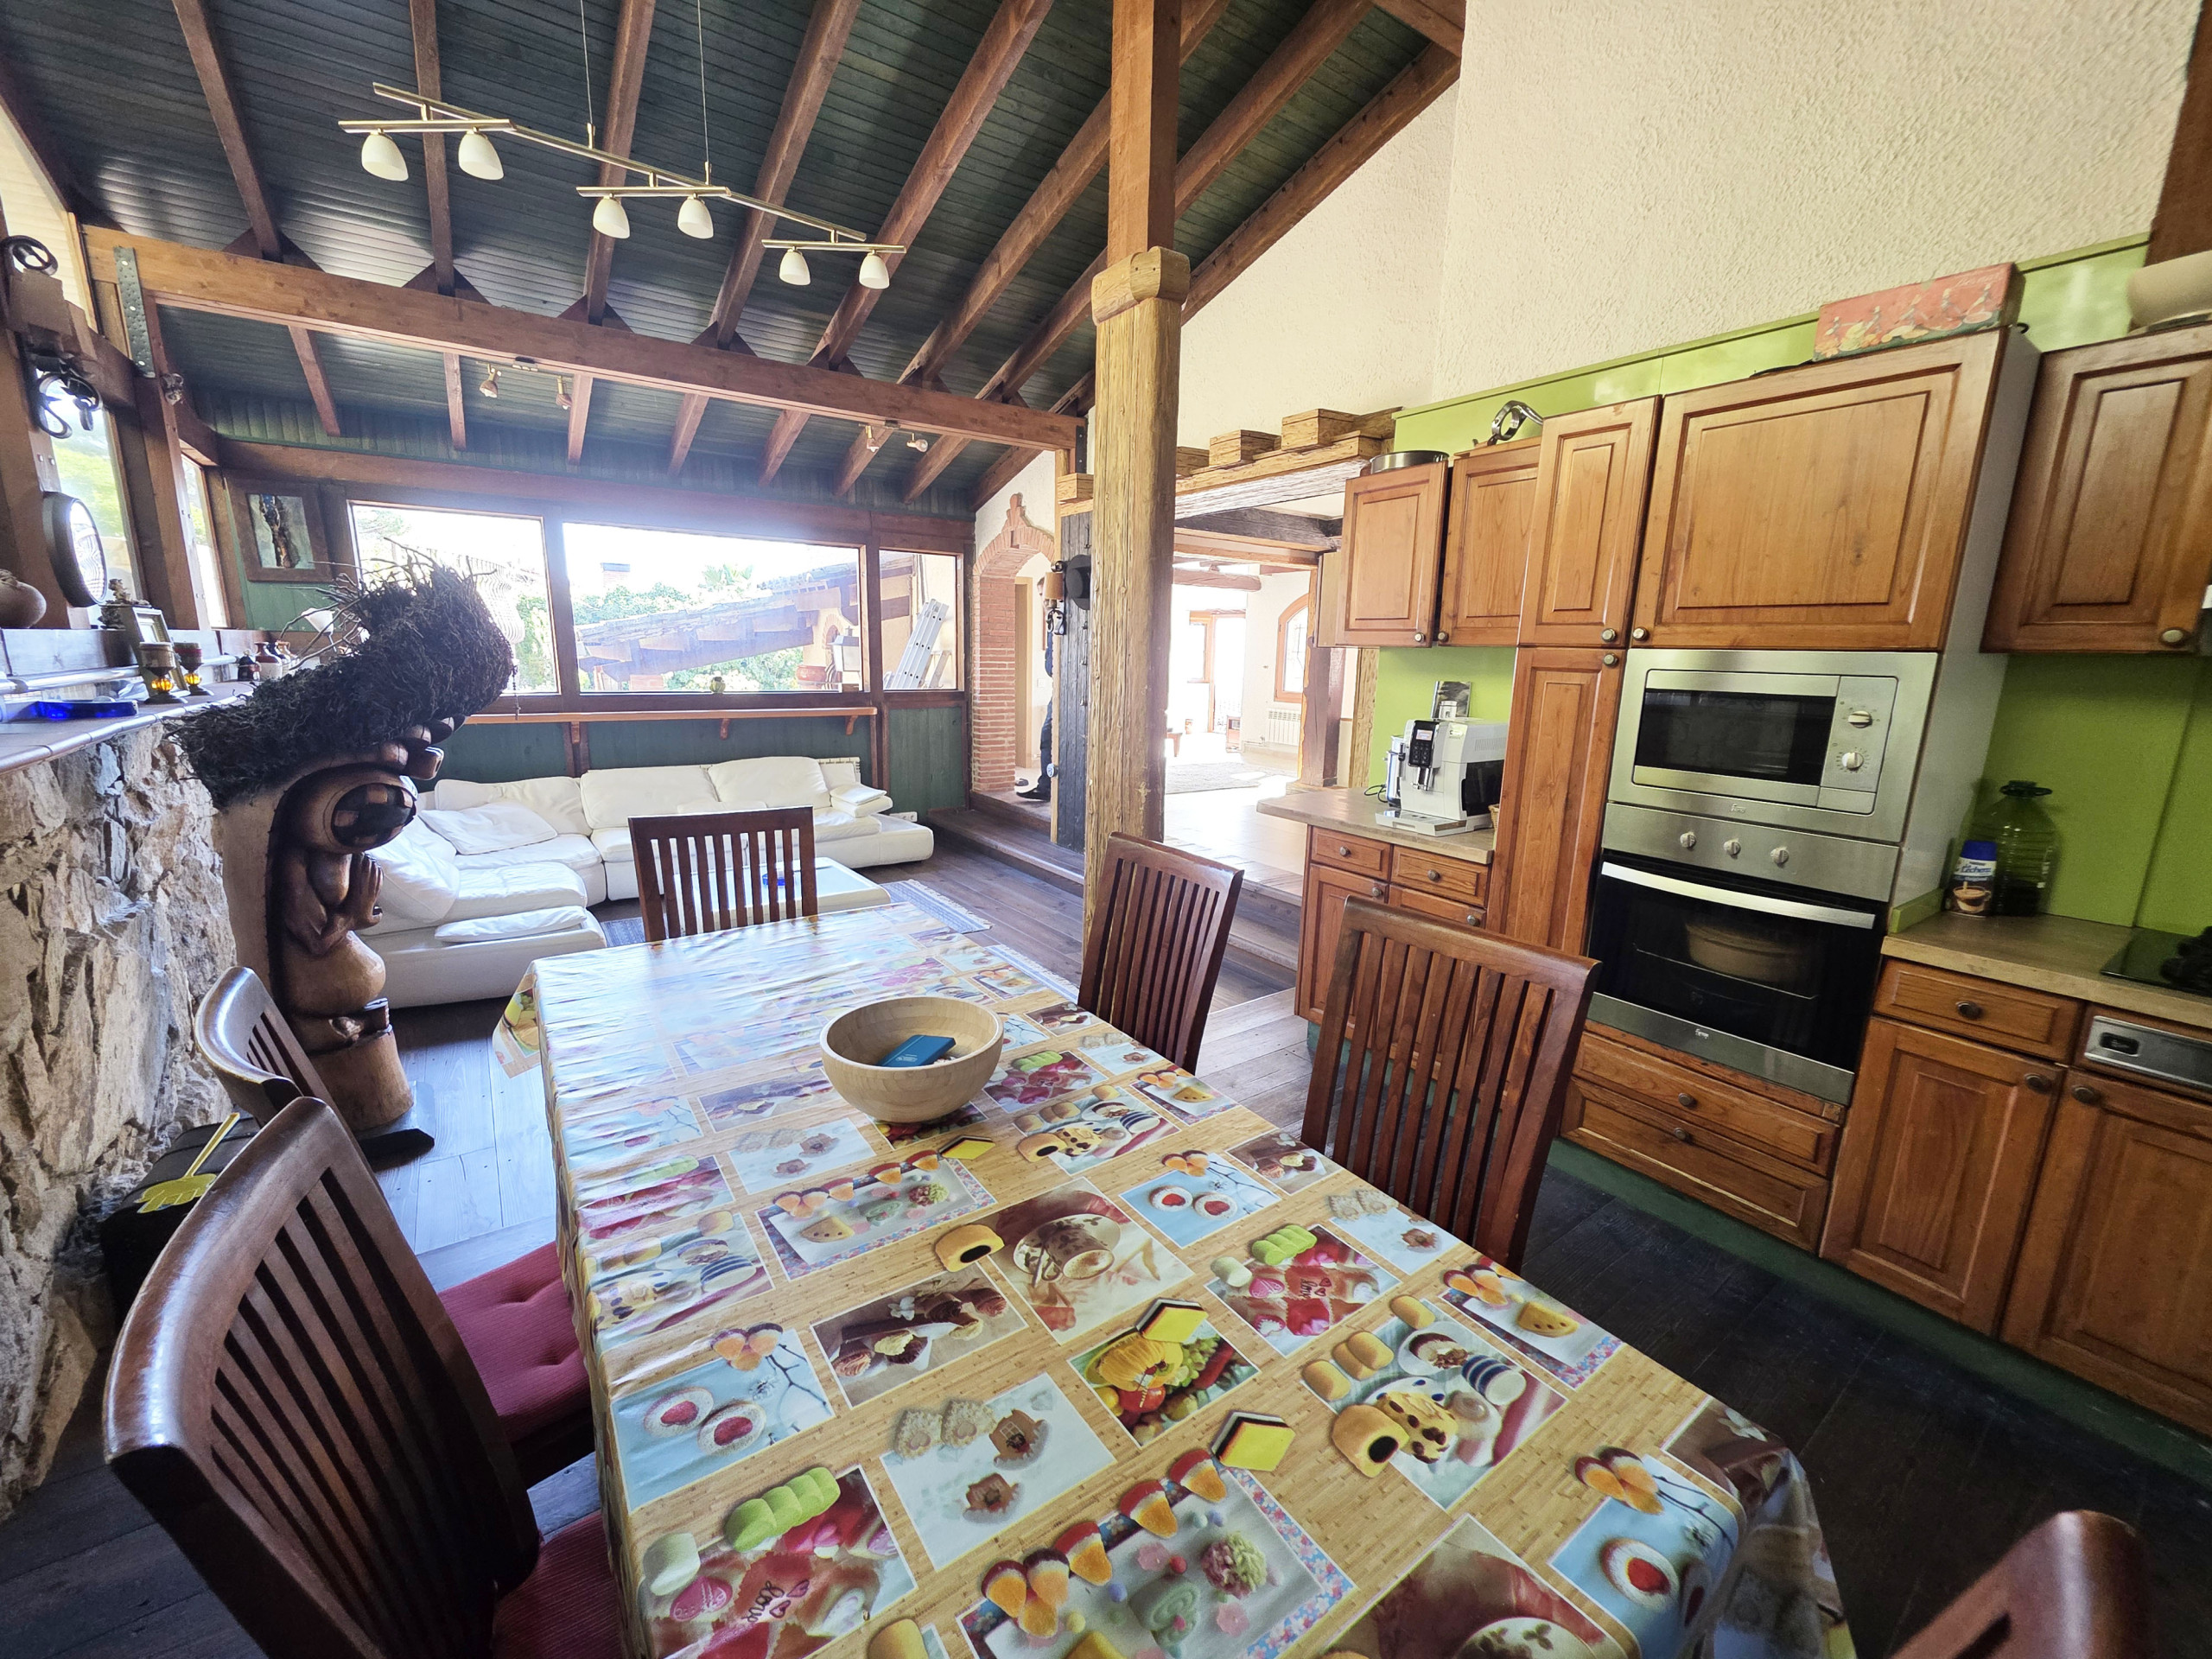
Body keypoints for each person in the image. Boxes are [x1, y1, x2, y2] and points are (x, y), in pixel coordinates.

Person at [1017, 615, 1054, 802]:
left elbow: (1052, 666)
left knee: (1049, 736)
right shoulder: (1052, 622)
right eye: (1044, 600)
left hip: (1069, 691)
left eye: (1049, 601)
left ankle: (1047, 787)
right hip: (1058, 692)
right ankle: (1046, 787)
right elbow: (1050, 667)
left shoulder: (1060, 619)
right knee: (1047, 736)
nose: (1047, 603)